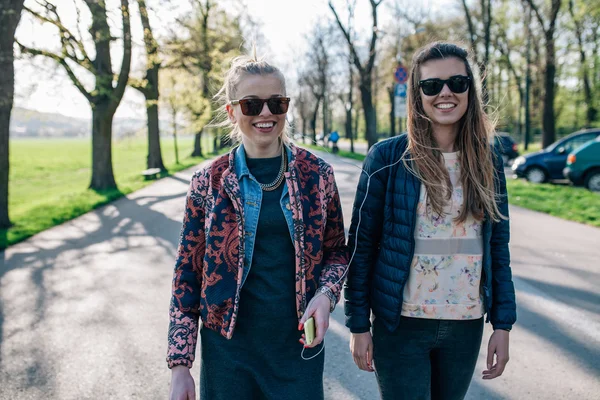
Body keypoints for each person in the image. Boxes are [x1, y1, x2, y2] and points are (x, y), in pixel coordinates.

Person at [166, 52, 348, 400]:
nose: (266, 113)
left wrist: (325, 297)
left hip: (298, 351)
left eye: (276, 103)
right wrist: (180, 365)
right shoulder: (209, 182)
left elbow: (337, 252)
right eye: (252, 104)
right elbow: (187, 275)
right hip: (228, 356)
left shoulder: (317, 175)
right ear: (233, 111)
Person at [344, 41, 516, 400]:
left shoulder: (487, 158)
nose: (446, 93)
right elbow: (360, 248)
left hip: (465, 326)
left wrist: (503, 324)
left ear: (470, 88)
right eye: (432, 85)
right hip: (400, 325)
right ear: (417, 95)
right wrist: (358, 324)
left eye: (457, 82)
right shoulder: (388, 158)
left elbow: (498, 247)